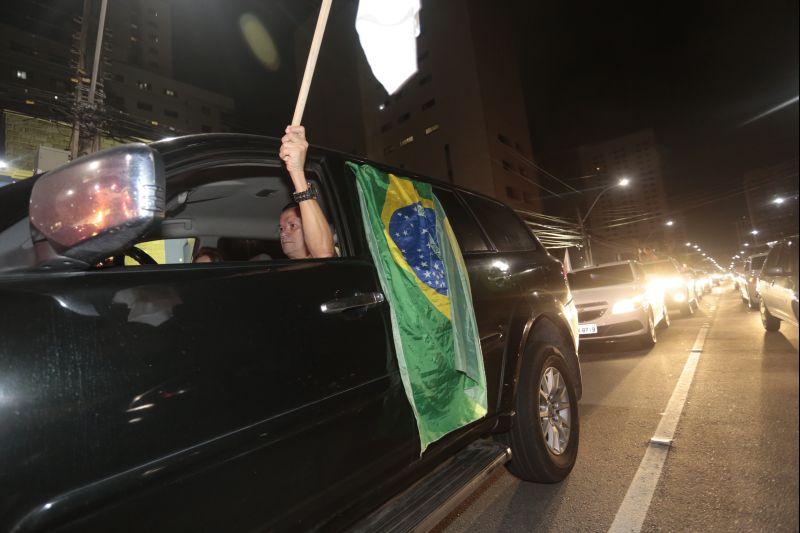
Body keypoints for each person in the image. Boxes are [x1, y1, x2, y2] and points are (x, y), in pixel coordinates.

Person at [278, 125, 335, 259]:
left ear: (308, 228)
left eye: (292, 225)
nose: (283, 234)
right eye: (281, 229)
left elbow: (324, 255)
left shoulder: (324, 268)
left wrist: (296, 171)